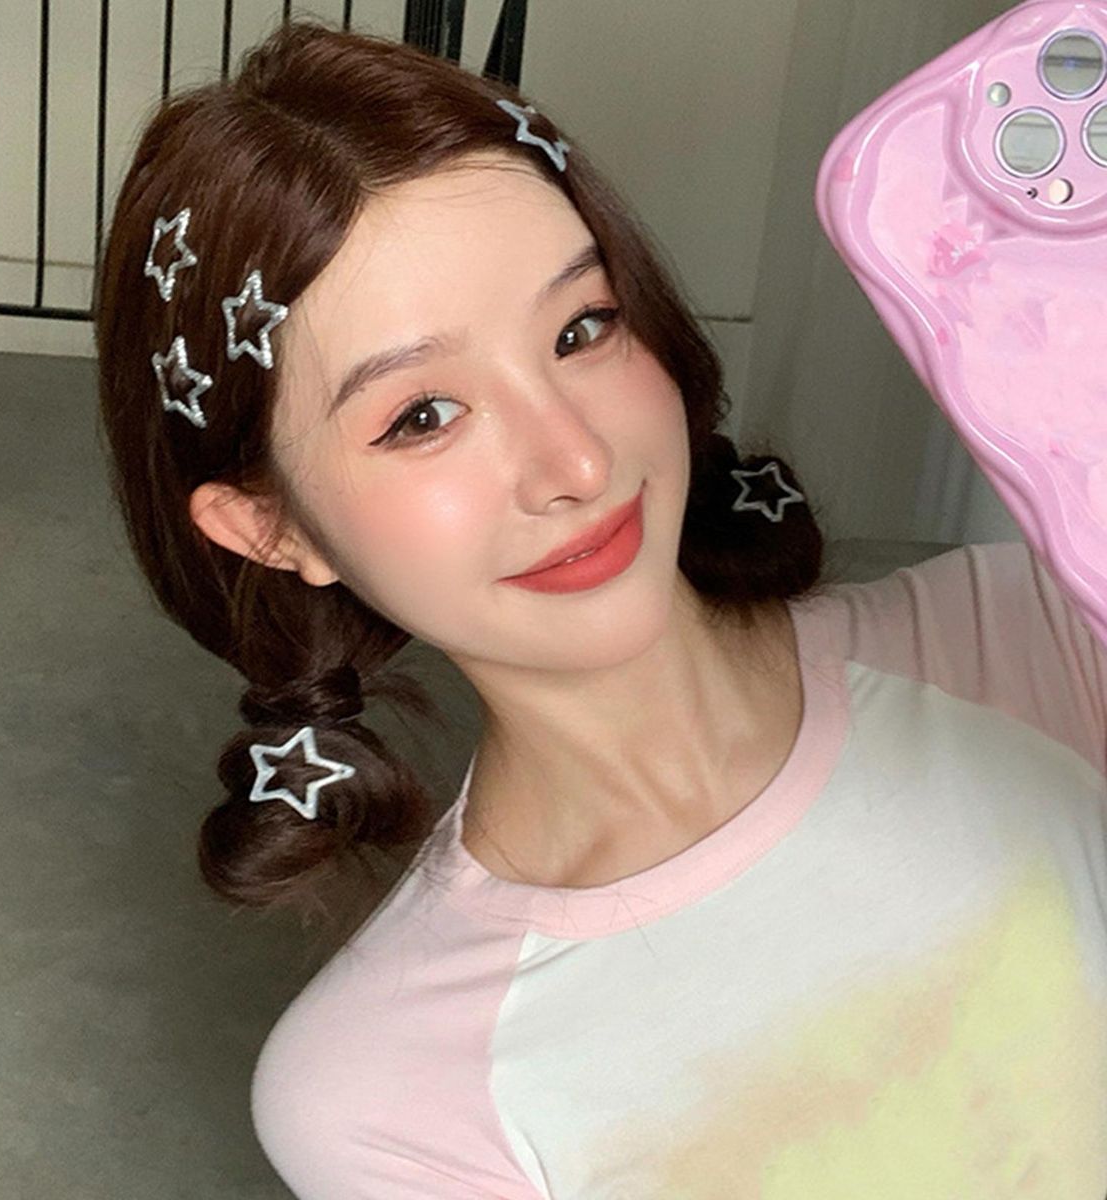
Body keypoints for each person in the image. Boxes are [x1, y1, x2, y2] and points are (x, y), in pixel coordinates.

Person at [93, 18, 1107, 1199]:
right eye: (422, 415)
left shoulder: (1036, 635)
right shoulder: (389, 1100)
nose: (574, 460)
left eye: (582, 329)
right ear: (270, 526)